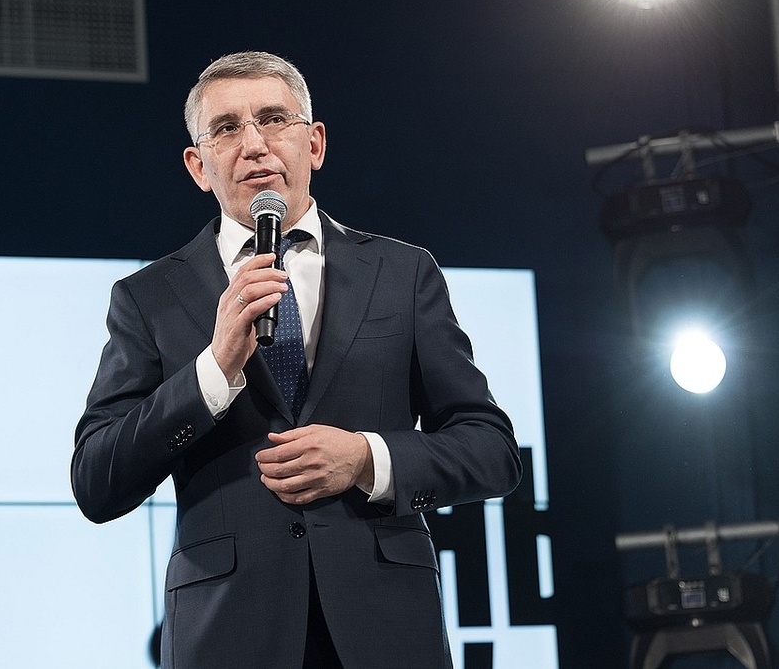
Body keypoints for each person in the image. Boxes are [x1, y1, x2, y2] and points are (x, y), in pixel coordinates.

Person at [73, 51, 521, 669]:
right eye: (226, 128)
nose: (254, 144)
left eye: (273, 119)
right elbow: (97, 481)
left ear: (314, 144)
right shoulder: (149, 297)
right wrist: (212, 373)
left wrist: (366, 458)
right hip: (228, 636)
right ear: (199, 166)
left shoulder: (402, 273)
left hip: (386, 631)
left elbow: (491, 450)